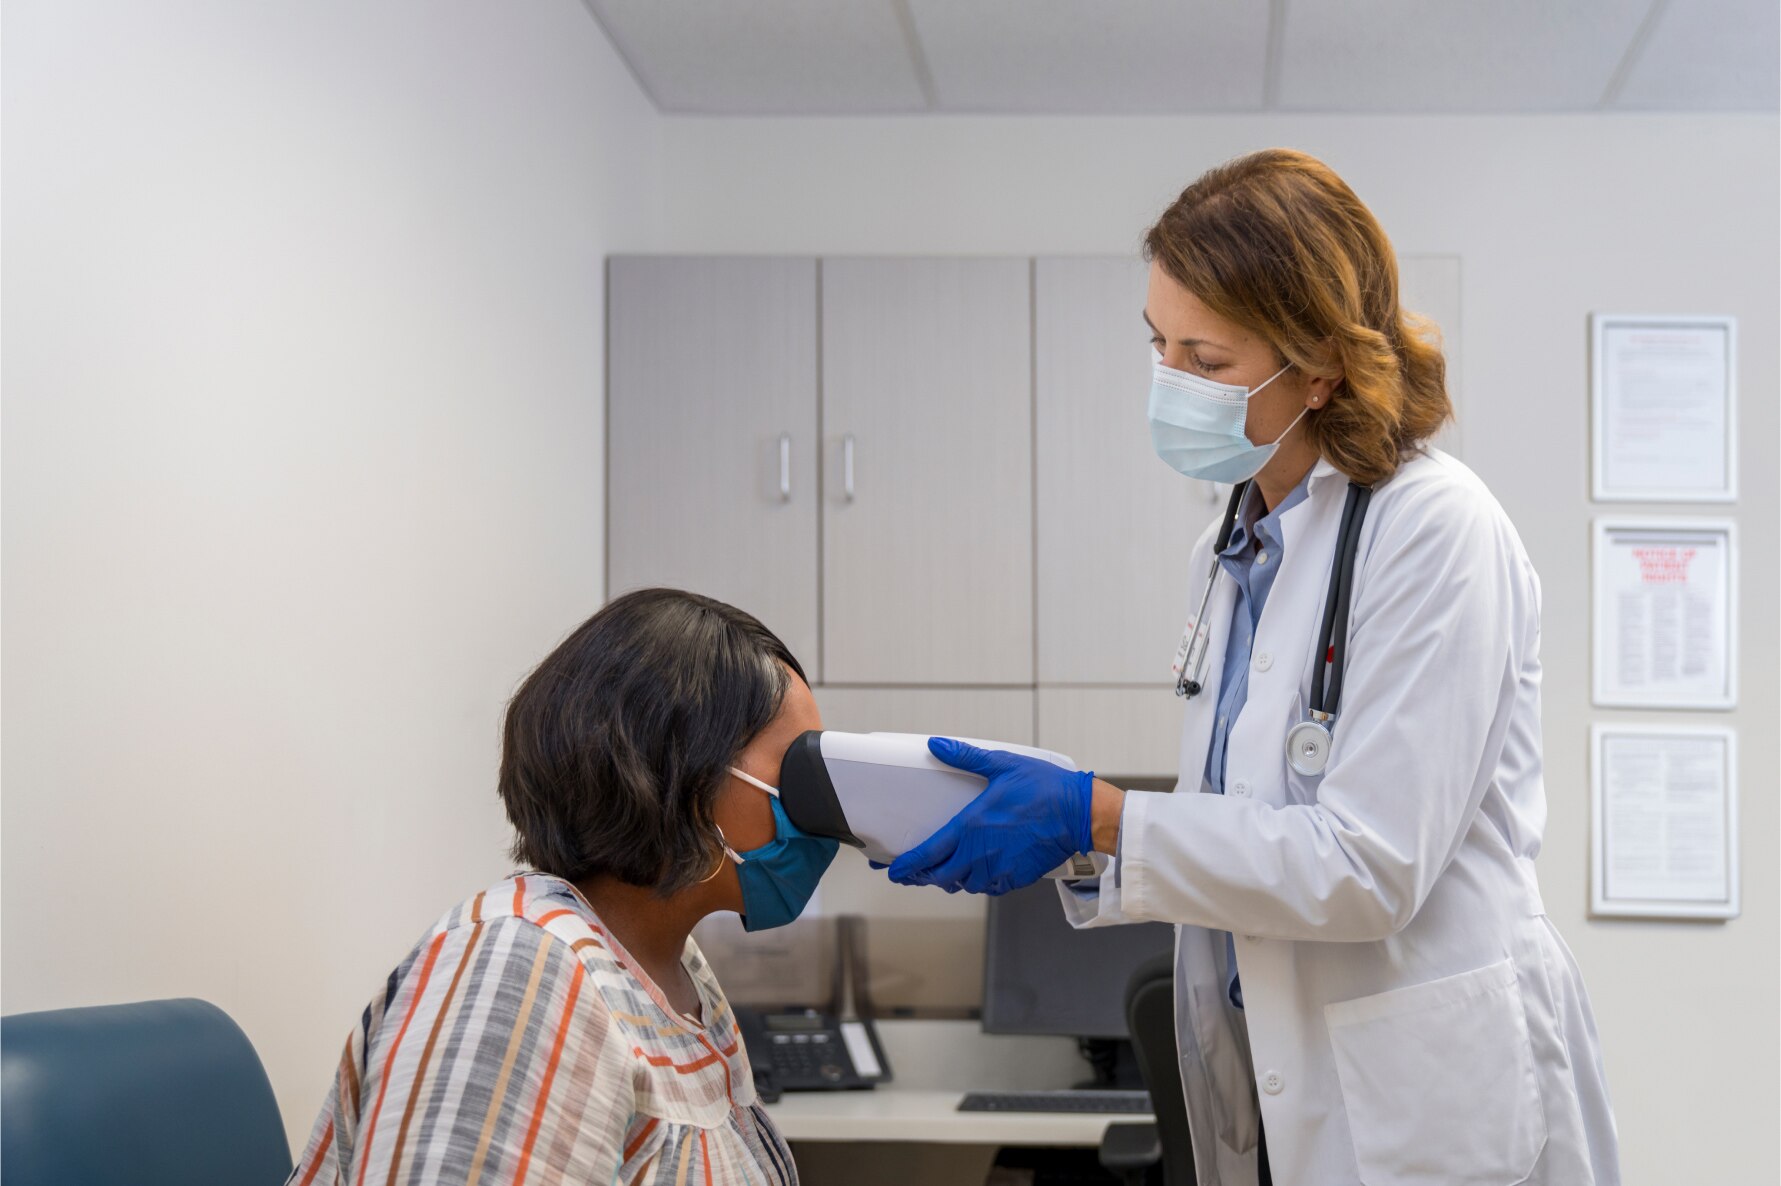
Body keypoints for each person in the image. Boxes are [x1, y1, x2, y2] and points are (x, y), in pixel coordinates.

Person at [888, 149, 1620, 1185]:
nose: (1170, 383)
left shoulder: (1433, 529)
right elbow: (1245, 828)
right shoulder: (1230, 549)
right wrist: (1076, 843)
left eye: (1208, 358)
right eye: (1158, 346)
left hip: (1425, 1103)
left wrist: (1095, 816)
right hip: (1279, 1081)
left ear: (1318, 363)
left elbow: (1368, 866)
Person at [286, 588, 832, 1186]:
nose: (823, 808)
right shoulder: (516, 968)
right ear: (680, 768)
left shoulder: (674, 974)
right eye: (799, 769)